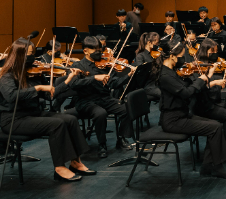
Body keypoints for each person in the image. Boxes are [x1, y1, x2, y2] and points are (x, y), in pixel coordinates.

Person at [0, 38, 95, 182]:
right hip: (13, 119)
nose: (33, 57)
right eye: (30, 54)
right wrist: (37, 88)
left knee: (70, 119)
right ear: (20, 55)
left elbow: (50, 95)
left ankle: (75, 161)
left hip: (33, 114)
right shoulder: (7, 75)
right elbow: (11, 96)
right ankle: (59, 168)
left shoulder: (33, 72)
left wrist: (68, 80)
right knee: (56, 125)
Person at [154, 37, 226, 179]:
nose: (184, 59)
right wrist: (199, 80)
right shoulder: (165, 76)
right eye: (181, 56)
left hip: (182, 115)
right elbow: (186, 93)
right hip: (173, 120)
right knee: (214, 128)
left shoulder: (174, 71)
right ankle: (216, 167)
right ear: (172, 57)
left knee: (216, 126)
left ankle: (208, 165)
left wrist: (204, 77)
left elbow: (188, 87)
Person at [63, 36, 135, 158]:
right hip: (86, 100)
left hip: (104, 98)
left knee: (126, 108)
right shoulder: (78, 65)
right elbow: (73, 84)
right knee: (100, 113)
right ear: (85, 51)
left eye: (99, 50)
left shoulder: (104, 64)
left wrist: (128, 76)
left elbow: (114, 83)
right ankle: (102, 144)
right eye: (95, 50)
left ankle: (121, 138)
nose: (99, 53)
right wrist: (94, 78)